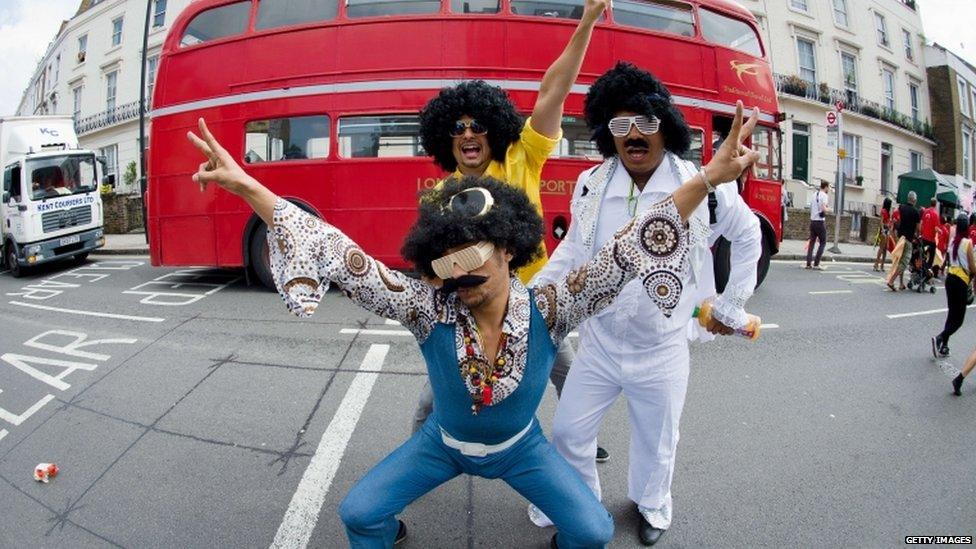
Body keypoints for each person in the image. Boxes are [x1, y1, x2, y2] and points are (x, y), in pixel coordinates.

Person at [186, 102, 758, 547]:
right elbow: (339, 255)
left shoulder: (551, 306)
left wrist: (706, 179)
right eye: (448, 254)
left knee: (593, 533)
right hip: (442, 445)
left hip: (520, 449)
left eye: (476, 249)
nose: (461, 267)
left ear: (509, 250)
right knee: (359, 513)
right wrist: (246, 186)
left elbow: (631, 246)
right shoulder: (426, 306)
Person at [529, 62, 762, 546]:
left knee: (658, 444)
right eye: (619, 125)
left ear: (666, 126)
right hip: (599, 345)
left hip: (663, 349)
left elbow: (749, 236)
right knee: (570, 433)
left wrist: (730, 306)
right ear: (605, 132)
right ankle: (583, 509)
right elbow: (572, 250)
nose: (633, 134)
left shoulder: (705, 185)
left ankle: (652, 506)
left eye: (646, 123)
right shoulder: (592, 183)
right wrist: (533, 303)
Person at [413, 0, 610, 461]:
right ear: (447, 137)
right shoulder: (438, 195)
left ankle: (582, 443)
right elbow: (431, 270)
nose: (467, 134)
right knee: (429, 401)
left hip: (532, 299)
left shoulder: (520, 157)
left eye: (478, 125)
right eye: (457, 128)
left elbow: (552, 92)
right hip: (469, 309)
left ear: (492, 130)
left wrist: (586, 22)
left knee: (567, 374)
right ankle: (418, 459)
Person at [932, 215, 976, 358]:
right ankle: (940, 337)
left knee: (951, 314)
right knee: (959, 320)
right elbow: (973, 267)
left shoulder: (952, 242)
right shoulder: (967, 243)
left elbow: (949, 260)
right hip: (960, 281)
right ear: (967, 227)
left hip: (950, 279)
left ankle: (944, 345)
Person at [886, 191, 921, 291]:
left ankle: (901, 283)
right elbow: (918, 228)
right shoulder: (916, 212)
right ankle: (891, 281)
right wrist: (917, 236)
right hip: (908, 239)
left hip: (901, 237)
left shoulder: (901, 207)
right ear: (914, 200)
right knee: (905, 261)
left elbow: (899, 221)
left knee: (900, 260)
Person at [806, 180, 830, 269]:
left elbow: (811, 207)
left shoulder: (814, 195)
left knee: (812, 242)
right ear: (826, 187)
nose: (829, 189)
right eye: (828, 187)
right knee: (823, 242)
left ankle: (808, 263)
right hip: (820, 222)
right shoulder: (824, 196)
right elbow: (824, 209)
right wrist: (829, 209)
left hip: (812, 221)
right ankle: (816, 263)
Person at [919, 198, 940, 282]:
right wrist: (940, 231)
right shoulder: (935, 214)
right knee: (931, 257)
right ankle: (927, 271)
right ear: (935, 204)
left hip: (924, 238)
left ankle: (921, 270)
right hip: (931, 240)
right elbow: (936, 228)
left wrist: (921, 233)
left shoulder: (925, 211)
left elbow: (921, 224)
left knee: (923, 255)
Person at [873, 197, 893, 272]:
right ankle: (876, 264)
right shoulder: (884, 211)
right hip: (884, 230)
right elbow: (881, 221)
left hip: (887, 229)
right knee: (881, 248)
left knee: (885, 249)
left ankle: (882, 265)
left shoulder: (888, 211)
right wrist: (883, 230)